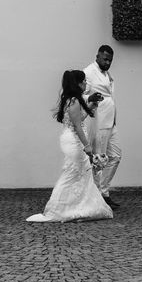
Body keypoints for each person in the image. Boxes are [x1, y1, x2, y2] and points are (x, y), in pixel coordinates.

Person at [27, 70, 113, 223]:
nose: (86, 84)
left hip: (73, 138)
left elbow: (78, 120)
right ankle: (58, 209)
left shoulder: (73, 100)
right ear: (78, 83)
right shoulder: (74, 101)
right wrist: (87, 146)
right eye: (84, 81)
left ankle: (78, 207)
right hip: (74, 141)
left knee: (81, 174)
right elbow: (78, 126)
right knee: (72, 174)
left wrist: (92, 106)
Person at [84, 44, 122, 209]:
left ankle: (102, 191)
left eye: (110, 60)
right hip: (98, 121)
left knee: (115, 156)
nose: (107, 62)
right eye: (105, 59)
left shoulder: (108, 74)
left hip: (111, 121)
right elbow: (79, 93)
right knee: (99, 160)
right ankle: (99, 196)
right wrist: (89, 98)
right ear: (97, 56)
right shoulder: (88, 72)